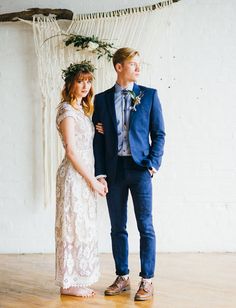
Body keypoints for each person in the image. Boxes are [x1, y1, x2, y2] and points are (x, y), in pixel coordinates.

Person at [93, 48, 165, 301]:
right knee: (117, 227)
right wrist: (100, 173)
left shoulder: (148, 96)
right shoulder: (101, 100)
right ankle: (122, 276)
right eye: (133, 64)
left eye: (138, 64)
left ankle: (147, 280)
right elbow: (98, 141)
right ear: (119, 67)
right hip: (113, 171)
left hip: (140, 170)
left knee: (146, 226)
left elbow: (159, 134)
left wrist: (153, 164)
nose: (138, 68)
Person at [55, 61, 106, 298]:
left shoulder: (81, 111)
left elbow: (87, 142)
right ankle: (68, 283)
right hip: (74, 177)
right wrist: (92, 181)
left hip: (84, 177)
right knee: (72, 227)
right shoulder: (66, 111)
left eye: (88, 81)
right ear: (70, 84)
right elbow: (72, 152)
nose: (85, 85)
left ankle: (77, 277)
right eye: (80, 81)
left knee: (83, 227)